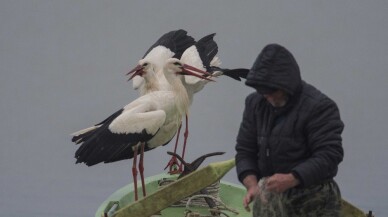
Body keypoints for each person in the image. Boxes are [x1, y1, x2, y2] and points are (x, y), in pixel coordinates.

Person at [235, 43, 344, 217]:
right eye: (263, 91)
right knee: (265, 194)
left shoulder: (320, 107)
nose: (268, 96)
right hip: (272, 192)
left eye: (272, 91)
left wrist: (292, 178)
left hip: (312, 194)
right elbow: (245, 151)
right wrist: (252, 185)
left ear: (286, 85)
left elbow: (329, 155)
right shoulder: (255, 104)